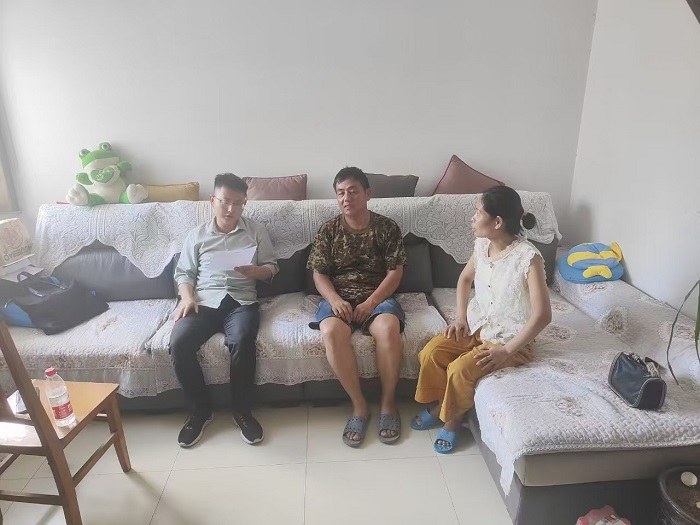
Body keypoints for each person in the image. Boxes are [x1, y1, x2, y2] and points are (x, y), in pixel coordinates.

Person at [411, 186, 552, 453]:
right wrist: (460, 318)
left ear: (497, 222)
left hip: (510, 340)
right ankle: (442, 404)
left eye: (477, 213)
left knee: (460, 369)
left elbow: (543, 315)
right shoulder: (482, 245)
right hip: (478, 326)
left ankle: (454, 420)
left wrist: (507, 352)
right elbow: (465, 279)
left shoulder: (528, 258)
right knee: (432, 352)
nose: (472, 218)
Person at [171, 173, 278, 447]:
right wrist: (186, 298)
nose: (231, 209)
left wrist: (257, 271)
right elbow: (184, 273)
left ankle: (242, 412)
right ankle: (200, 411)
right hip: (203, 301)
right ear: (212, 200)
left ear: (245, 204)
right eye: (225, 201)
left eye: (238, 203)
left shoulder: (255, 231)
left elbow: (272, 267)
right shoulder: (197, 235)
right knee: (179, 342)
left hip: (241, 301)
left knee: (242, 340)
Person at [307, 167, 407, 447]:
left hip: (377, 295)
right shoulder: (328, 230)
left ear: (367, 194)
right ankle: (359, 406)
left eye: (352, 191)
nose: (346, 198)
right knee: (331, 332)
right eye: (340, 193)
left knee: (388, 328)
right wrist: (335, 300)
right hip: (338, 297)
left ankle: (388, 404)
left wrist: (371, 302)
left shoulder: (387, 227)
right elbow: (319, 274)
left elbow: (395, 273)